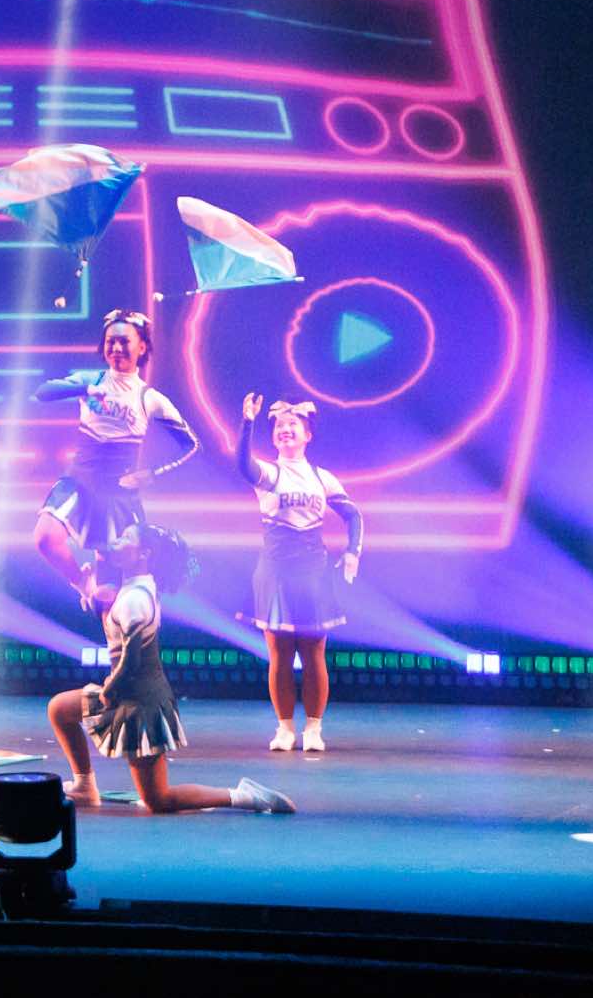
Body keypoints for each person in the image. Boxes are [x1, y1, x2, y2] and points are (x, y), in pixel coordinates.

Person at [45, 523, 295, 814]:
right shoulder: (133, 588)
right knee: (60, 709)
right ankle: (85, 786)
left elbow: (131, 660)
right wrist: (87, 588)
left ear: (144, 553)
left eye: (126, 538)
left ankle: (243, 796)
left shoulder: (135, 598)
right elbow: (112, 619)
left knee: (159, 801)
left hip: (139, 702)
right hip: (128, 692)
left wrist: (111, 688)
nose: (117, 541)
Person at [31, 310, 198, 610]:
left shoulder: (150, 398)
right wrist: (84, 389)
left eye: (124, 341)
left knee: (107, 598)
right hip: (78, 479)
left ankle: (119, 631)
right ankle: (82, 582)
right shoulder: (91, 379)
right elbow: (43, 393)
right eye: (110, 341)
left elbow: (190, 444)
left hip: (116, 494)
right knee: (45, 537)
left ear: (142, 347)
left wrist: (152, 473)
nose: (117, 348)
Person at [235, 394, 366, 753]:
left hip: (313, 572)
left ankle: (313, 728)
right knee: (279, 653)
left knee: (313, 652)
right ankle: (284, 728)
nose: (285, 429)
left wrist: (352, 553)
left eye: (293, 424)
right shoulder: (268, 473)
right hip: (275, 570)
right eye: (279, 425)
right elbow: (243, 465)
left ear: (308, 434)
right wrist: (247, 423)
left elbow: (353, 515)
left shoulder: (322, 478)